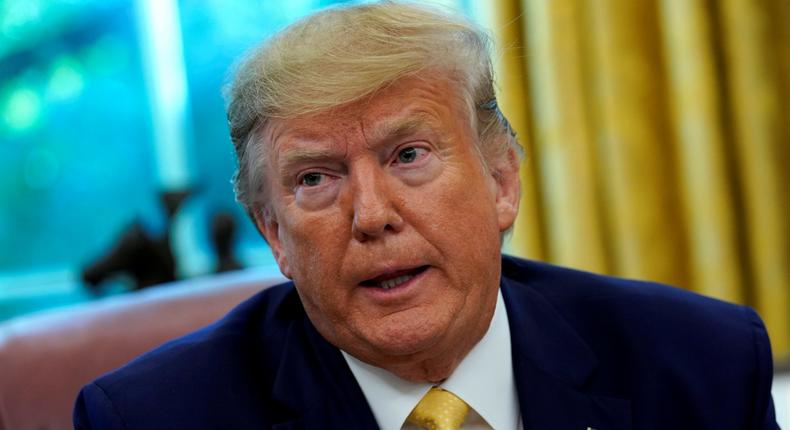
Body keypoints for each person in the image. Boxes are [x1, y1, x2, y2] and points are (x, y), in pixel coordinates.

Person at [73, 2, 779, 429]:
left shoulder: (699, 366)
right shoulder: (151, 424)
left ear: (502, 181)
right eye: (316, 178)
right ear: (273, 235)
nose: (372, 216)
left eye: (409, 154)